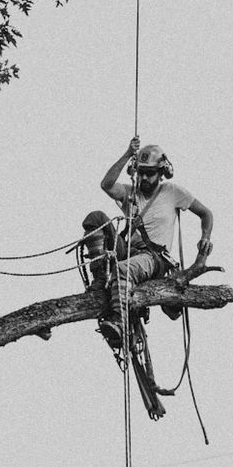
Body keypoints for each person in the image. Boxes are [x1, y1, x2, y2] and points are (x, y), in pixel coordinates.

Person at [81, 137, 214, 342]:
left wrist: (205, 237)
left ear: (161, 172)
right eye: (141, 172)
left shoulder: (172, 192)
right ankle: (100, 280)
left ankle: (119, 320)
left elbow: (206, 214)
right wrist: (127, 154)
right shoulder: (130, 192)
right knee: (95, 218)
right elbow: (106, 185)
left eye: (150, 173)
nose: (144, 177)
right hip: (128, 250)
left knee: (123, 269)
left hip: (153, 258)